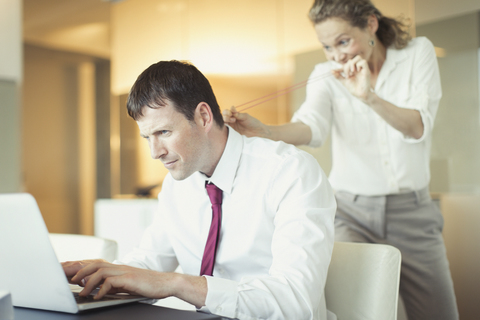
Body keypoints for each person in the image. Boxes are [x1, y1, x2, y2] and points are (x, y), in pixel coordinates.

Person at [223, 1, 458, 319]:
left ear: (371, 25)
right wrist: (263, 130)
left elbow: (417, 126)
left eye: (343, 41)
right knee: (352, 310)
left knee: (439, 313)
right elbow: (310, 127)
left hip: (413, 214)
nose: (336, 55)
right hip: (350, 213)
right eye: (327, 46)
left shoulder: (417, 53)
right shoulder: (326, 74)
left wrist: (367, 97)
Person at [63, 60, 337, 320]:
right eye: (147, 137)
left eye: (164, 133)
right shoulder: (176, 185)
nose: (154, 153)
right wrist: (98, 276)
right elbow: (151, 262)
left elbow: (295, 301)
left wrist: (176, 283)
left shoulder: (290, 172)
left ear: (204, 117)